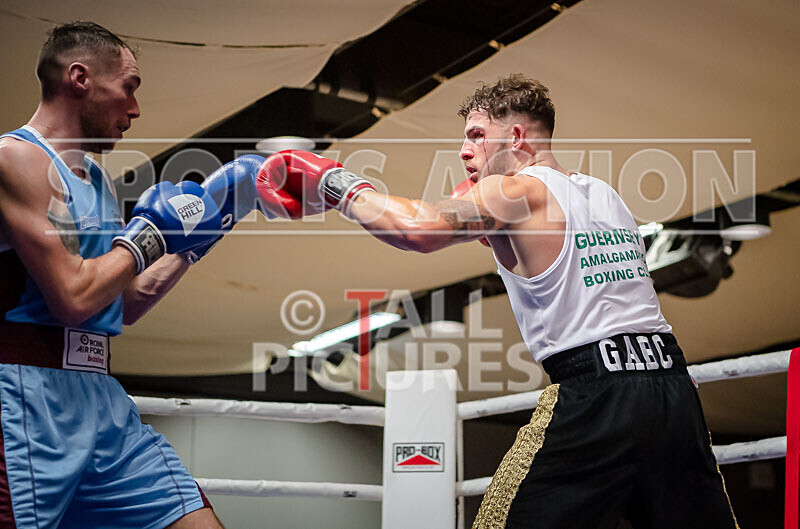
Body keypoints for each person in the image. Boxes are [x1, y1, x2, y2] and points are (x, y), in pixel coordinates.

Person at [256, 74, 740, 528]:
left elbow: (418, 230)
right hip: (673, 393)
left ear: (513, 136)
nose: (464, 151)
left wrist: (334, 184)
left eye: (475, 135)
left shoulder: (516, 191)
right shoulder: (604, 194)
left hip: (595, 396)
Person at [0, 21, 264, 528]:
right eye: (129, 87)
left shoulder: (94, 176)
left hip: (101, 401)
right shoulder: (16, 159)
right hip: (26, 403)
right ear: (80, 79)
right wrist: (149, 233)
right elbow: (73, 297)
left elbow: (125, 297)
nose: (135, 109)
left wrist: (206, 231)